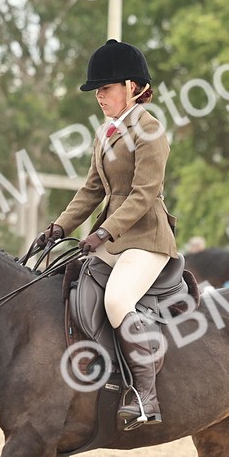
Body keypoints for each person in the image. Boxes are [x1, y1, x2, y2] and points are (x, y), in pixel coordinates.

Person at [32, 39, 178, 429]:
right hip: (112, 240)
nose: (99, 96)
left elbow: (145, 194)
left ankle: (146, 396)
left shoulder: (150, 130)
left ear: (131, 87)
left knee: (116, 300)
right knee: (71, 285)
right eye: (97, 90)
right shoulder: (105, 133)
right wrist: (59, 226)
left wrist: (105, 232)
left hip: (146, 240)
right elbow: (91, 191)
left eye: (106, 88)